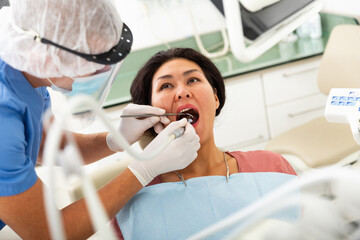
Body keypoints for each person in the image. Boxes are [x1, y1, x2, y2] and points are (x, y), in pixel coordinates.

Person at [0, 1, 200, 239]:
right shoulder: (4, 122)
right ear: (47, 55)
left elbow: (48, 145)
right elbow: (51, 233)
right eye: (94, 62)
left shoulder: (26, 70)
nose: (104, 71)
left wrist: (115, 140)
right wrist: (144, 169)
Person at [112, 48, 298, 239]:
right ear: (150, 112)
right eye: (166, 86)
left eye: (192, 80)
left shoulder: (272, 166)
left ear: (216, 98)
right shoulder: (129, 202)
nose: (182, 92)